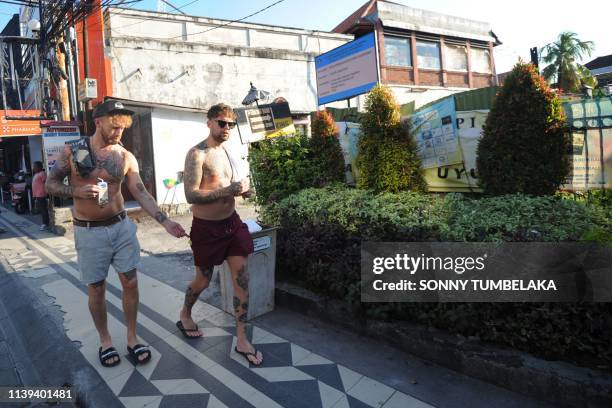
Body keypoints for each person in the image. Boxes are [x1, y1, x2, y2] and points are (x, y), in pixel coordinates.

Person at [45, 99, 187, 368]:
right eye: (114, 126)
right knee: (96, 288)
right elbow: (50, 183)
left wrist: (164, 221)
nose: (119, 131)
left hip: (121, 227)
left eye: (123, 127)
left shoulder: (125, 156)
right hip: (89, 232)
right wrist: (76, 191)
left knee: (131, 283)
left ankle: (132, 338)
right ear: (98, 122)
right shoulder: (74, 151)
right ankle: (105, 340)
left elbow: (141, 192)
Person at [178, 103, 263, 366]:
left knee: (242, 279)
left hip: (232, 225)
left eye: (231, 124)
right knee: (202, 281)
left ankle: (241, 339)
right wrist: (228, 191)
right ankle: (185, 313)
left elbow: (232, 186)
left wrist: (245, 191)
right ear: (209, 123)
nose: (226, 128)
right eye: (222, 123)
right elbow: (191, 194)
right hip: (206, 229)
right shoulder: (197, 154)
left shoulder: (228, 153)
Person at [31, 161, 49, 231]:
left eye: (35, 167)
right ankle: (44, 223)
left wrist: (47, 192)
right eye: (34, 167)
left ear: (40, 167)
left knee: (43, 209)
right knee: (41, 209)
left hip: (41, 194)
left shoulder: (42, 173)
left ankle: (45, 224)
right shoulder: (36, 174)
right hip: (37, 195)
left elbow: (46, 183)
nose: (34, 168)